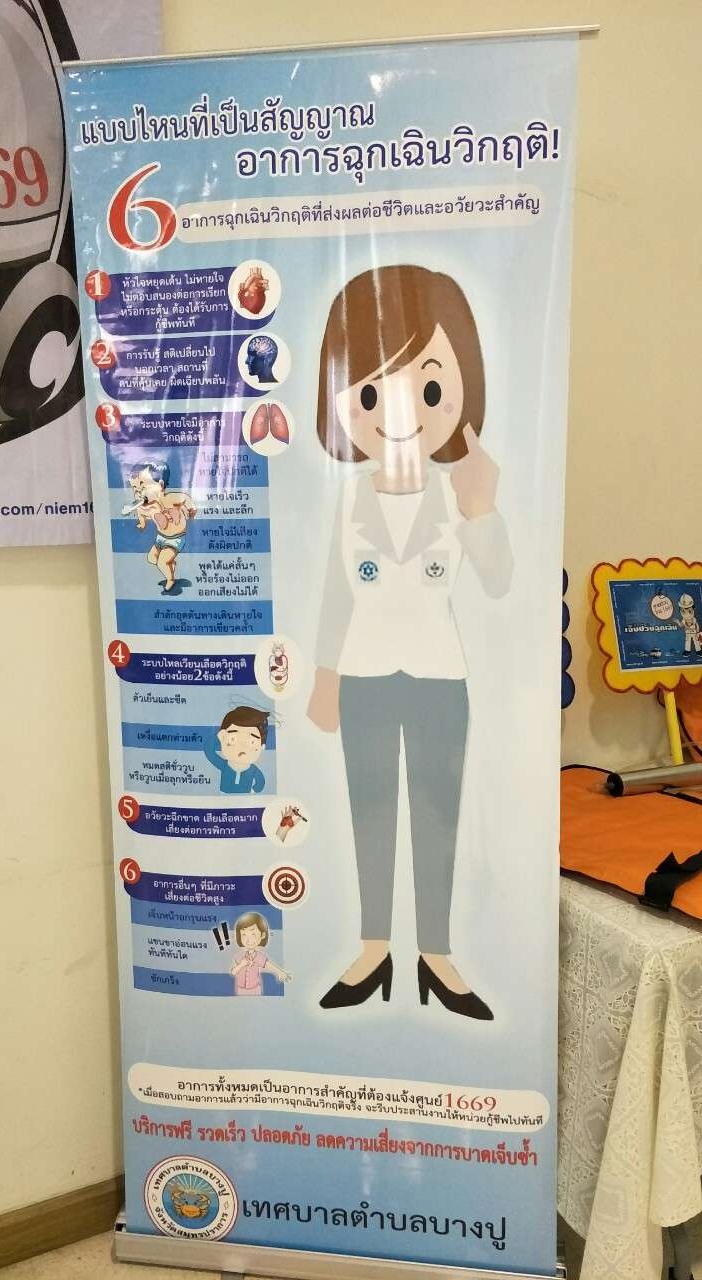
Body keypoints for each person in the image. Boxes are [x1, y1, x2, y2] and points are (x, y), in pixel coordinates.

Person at [307, 264, 513, 1018]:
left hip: (438, 678)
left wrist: (482, 507)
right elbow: (336, 591)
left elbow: (499, 580)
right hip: (363, 675)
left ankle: (436, 954)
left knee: (436, 812)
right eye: (370, 393)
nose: (397, 413)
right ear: (341, 401)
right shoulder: (348, 500)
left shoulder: (461, 493)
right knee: (369, 808)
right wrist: (325, 676)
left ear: (461, 392)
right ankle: (374, 949)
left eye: (426, 388)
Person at [127, 461, 196, 592]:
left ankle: (170, 580)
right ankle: (170, 563)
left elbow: (185, 498)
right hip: (161, 538)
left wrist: (191, 508)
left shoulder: (170, 498)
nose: (139, 492)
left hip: (175, 539)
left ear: (161, 485)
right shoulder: (146, 507)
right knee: (152, 558)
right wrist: (142, 523)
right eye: (135, 489)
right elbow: (140, 513)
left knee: (161, 562)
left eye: (143, 487)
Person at [204, 706, 269, 794]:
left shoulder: (253, 770)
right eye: (233, 739)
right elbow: (209, 750)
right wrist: (220, 737)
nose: (242, 747)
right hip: (223, 798)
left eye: (252, 742)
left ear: (262, 746)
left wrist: (253, 791)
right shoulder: (224, 765)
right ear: (222, 736)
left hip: (245, 799)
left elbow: (260, 782)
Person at [230, 912, 291, 996]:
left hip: (255, 989)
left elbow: (268, 965)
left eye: (253, 934)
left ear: (262, 935)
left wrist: (280, 973)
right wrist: (241, 964)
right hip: (240, 989)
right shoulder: (239, 956)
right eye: (244, 935)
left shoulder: (259, 957)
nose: (248, 940)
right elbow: (233, 972)